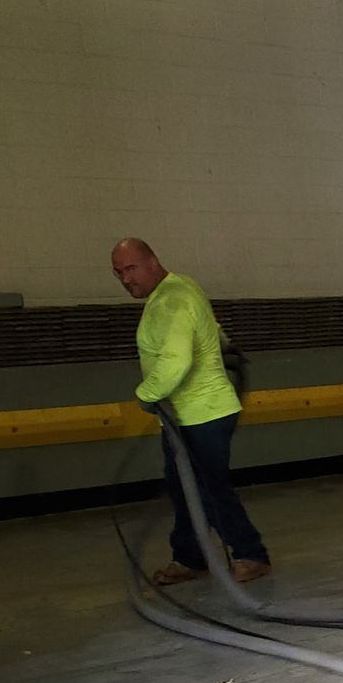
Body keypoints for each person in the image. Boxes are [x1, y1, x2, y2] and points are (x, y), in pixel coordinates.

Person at [110, 238, 270, 585]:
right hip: (185, 415)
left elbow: (176, 360)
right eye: (118, 273)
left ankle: (251, 554)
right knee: (184, 487)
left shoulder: (172, 300)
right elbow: (212, 330)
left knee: (208, 489)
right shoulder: (181, 288)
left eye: (131, 269)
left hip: (204, 415)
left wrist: (146, 394)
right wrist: (226, 348)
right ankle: (189, 557)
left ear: (153, 262)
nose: (125, 279)